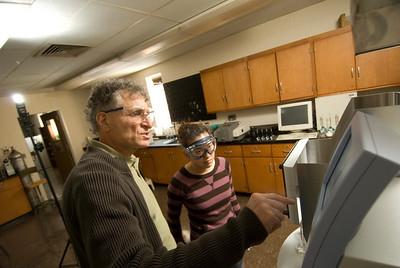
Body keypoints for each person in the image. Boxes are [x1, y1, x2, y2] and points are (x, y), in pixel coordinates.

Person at [62, 78, 295, 268]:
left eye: (148, 113)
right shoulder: (96, 178)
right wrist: (244, 228)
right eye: (136, 114)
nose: (149, 123)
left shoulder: (124, 164)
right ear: (104, 120)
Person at [167, 123, 243, 268]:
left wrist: (243, 229)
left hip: (232, 238)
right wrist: (180, 249)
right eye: (198, 151)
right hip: (206, 246)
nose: (207, 156)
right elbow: (173, 220)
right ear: (186, 153)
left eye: (209, 147)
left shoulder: (224, 164)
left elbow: (232, 198)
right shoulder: (178, 182)